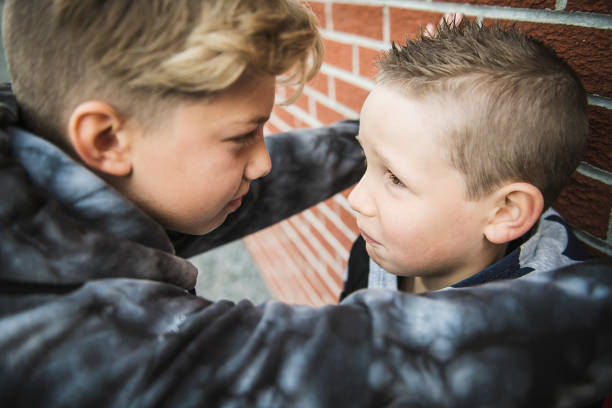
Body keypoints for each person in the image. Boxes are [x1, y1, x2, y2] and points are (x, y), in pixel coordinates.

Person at [0, 1, 611, 407]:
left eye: (391, 176)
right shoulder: (53, 331)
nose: (263, 162)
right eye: (242, 135)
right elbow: (344, 357)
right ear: (107, 140)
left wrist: (436, 125)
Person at [341, 20, 591, 298]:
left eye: (396, 179)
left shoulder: (541, 333)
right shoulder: (373, 253)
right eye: (367, 159)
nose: (356, 199)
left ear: (505, 211)